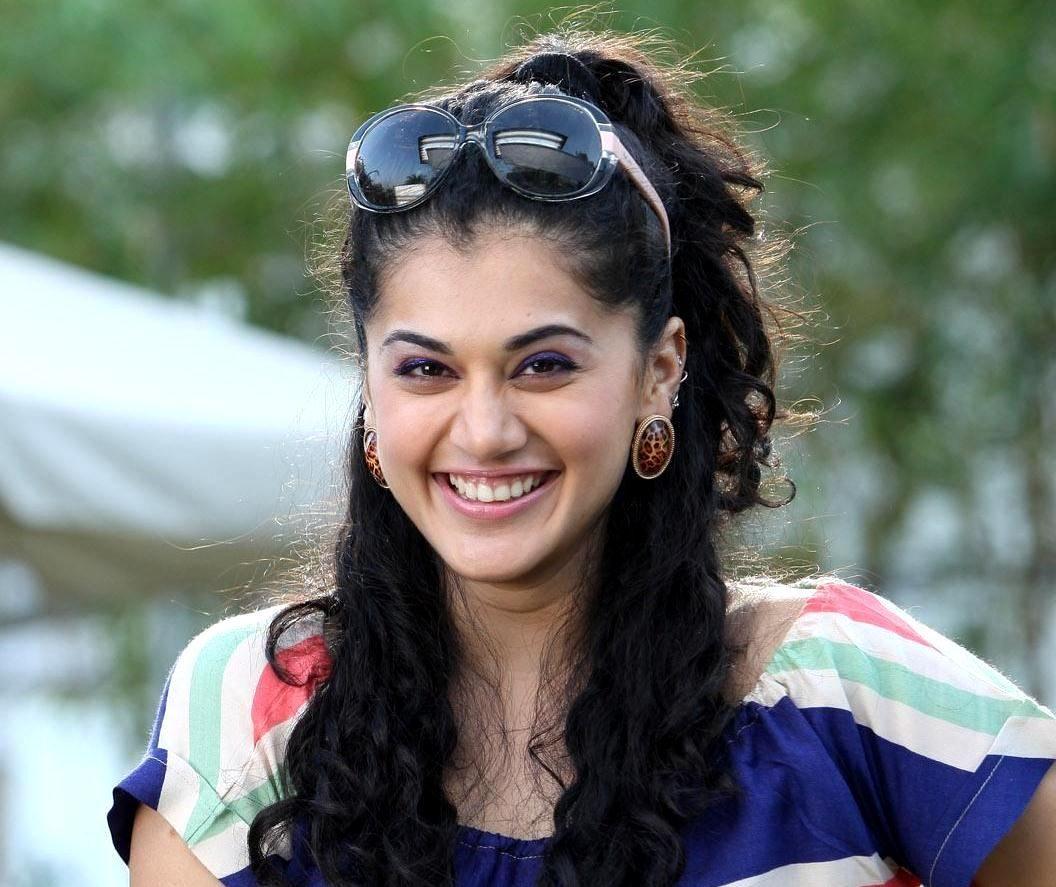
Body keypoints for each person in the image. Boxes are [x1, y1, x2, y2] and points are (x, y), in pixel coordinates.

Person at [107, 26, 1056, 887]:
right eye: (427, 369)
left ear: (658, 371)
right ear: (370, 386)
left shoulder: (843, 693)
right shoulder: (248, 712)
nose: (485, 430)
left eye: (545, 365)